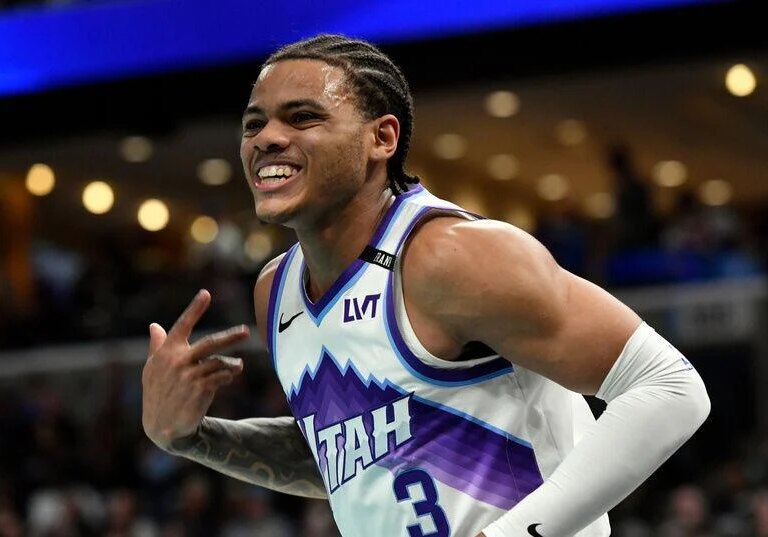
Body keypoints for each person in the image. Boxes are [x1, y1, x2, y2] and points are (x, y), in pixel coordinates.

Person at [141, 34, 710, 537]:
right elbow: (352, 459)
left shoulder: (451, 255)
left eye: (302, 117)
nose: (266, 137)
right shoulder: (277, 291)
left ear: (382, 137)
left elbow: (670, 388)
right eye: (253, 123)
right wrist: (191, 437)